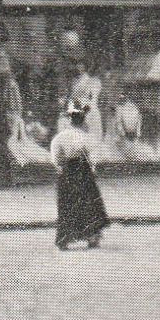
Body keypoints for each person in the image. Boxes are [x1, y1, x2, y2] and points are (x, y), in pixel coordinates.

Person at [50, 102, 111, 251]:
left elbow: (56, 158)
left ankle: (64, 239)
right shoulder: (86, 137)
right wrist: (93, 168)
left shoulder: (60, 137)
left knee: (68, 204)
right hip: (83, 171)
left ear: (70, 121)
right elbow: (94, 157)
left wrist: (61, 166)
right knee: (88, 203)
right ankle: (91, 236)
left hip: (67, 171)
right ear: (83, 122)